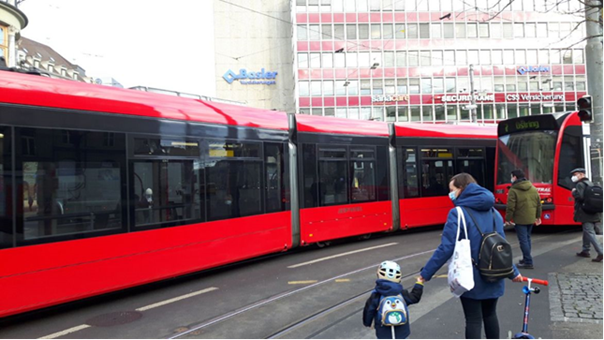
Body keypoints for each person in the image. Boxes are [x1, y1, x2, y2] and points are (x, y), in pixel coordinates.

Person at [419, 173, 522, 340]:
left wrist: (426, 273)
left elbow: (446, 248)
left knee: (473, 319)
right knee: (490, 315)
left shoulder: (458, 213)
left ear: (462, 189)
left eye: (452, 190)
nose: (450, 194)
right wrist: (513, 272)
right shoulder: (494, 212)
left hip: (471, 276)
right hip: (494, 274)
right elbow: (502, 247)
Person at [363, 261, 424, 340]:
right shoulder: (402, 293)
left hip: (383, 334)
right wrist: (419, 283)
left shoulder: (376, 295)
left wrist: (367, 323)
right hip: (402, 333)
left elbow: (369, 310)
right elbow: (415, 297)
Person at [505, 169, 542, 269]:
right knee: (527, 238)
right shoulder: (533, 188)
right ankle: (526, 258)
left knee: (523, 240)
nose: (511, 178)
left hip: (520, 218)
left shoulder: (513, 190)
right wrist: (538, 216)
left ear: (515, 177)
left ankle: (528, 261)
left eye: (512, 176)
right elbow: (538, 204)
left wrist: (508, 218)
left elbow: (510, 206)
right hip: (531, 217)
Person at [570, 168, 604, 262]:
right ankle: (585, 250)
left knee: (589, 232)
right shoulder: (590, 183)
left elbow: (580, 197)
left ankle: (601, 252)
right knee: (587, 231)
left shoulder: (580, 184)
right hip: (593, 211)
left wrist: (573, 192)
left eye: (576, 174)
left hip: (585, 212)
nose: (574, 177)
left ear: (581, 175)